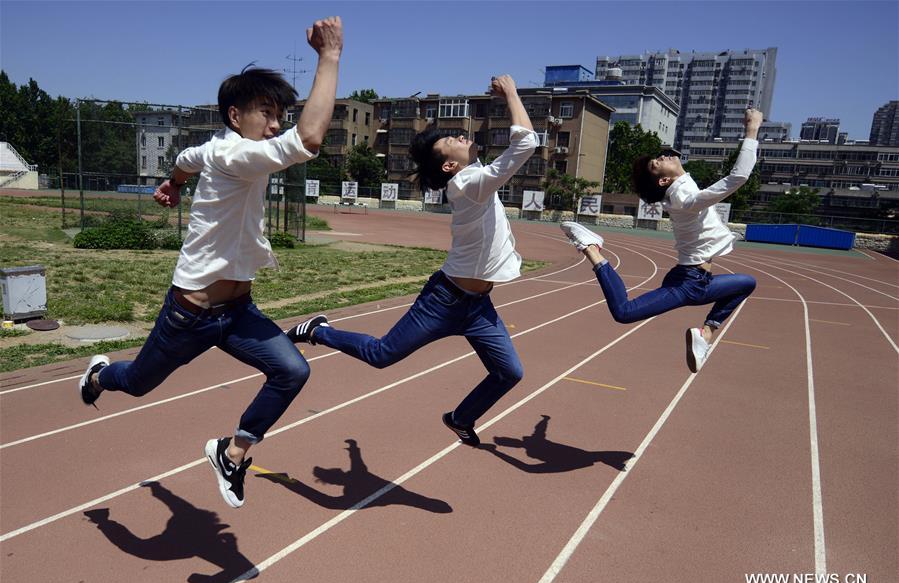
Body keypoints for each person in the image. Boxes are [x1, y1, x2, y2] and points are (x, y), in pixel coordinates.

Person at [77, 16, 344, 508]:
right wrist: (329, 57)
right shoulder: (236, 156)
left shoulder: (215, 150)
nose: (276, 123)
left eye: (280, 113)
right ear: (234, 115)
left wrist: (173, 184)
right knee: (136, 383)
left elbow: (184, 156)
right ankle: (98, 375)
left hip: (238, 312)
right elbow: (308, 140)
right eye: (267, 112)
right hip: (191, 315)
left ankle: (232, 451)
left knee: (292, 371)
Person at [288, 75, 538, 446]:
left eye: (457, 135)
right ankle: (318, 331)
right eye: (452, 141)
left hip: (478, 306)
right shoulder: (468, 185)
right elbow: (527, 143)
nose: (461, 137)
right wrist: (512, 94)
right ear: (450, 167)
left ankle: (460, 417)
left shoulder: (478, 179)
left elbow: (521, 145)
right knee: (381, 354)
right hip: (444, 302)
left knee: (509, 372)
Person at [560, 108, 763, 372]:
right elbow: (737, 178)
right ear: (665, 179)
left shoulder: (682, 192)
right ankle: (591, 248)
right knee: (623, 312)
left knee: (747, 283)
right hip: (688, 284)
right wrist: (751, 131)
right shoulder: (683, 198)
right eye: (657, 162)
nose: (663, 156)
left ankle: (706, 336)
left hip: (698, 282)